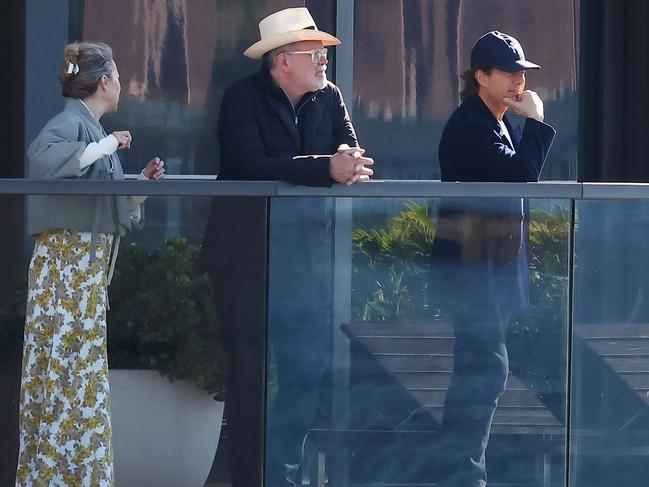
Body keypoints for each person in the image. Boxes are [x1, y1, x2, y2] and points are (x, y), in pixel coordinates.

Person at [201, 7, 373, 486]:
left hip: (303, 258)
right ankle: (250, 480)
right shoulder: (240, 99)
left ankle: (283, 475)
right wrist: (325, 169)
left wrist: (341, 163)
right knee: (247, 377)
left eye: (323, 51)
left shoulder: (330, 97)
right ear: (282, 62)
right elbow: (252, 165)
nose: (323, 59)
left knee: (305, 370)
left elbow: (351, 153)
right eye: (313, 52)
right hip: (243, 260)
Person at [16, 41, 164, 487]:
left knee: (76, 376)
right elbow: (44, 165)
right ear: (104, 82)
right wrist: (104, 147)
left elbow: (104, 203)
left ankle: (75, 476)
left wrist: (139, 184)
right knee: (65, 374)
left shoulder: (93, 133)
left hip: (81, 274)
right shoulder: (70, 125)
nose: (121, 85)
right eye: (117, 77)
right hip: (65, 272)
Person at [432, 31, 556, 487]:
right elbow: (521, 177)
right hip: (471, 273)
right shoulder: (471, 123)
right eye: (508, 71)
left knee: (479, 370)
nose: (519, 80)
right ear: (480, 76)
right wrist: (538, 123)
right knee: (486, 369)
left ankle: (458, 473)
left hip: (488, 273)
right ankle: (464, 475)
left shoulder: (495, 120)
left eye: (522, 72)